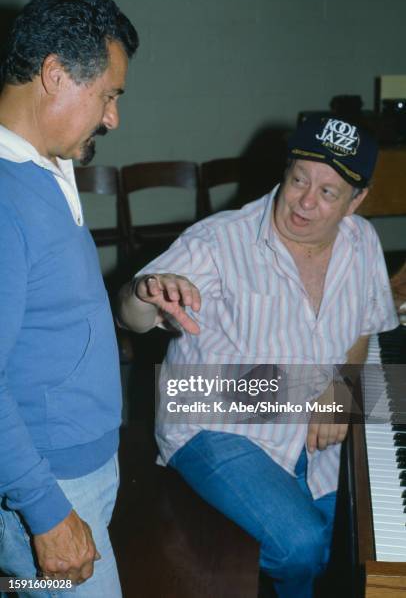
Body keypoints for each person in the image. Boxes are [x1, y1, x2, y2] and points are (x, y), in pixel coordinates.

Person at [119, 114, 398, 597]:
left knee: (364, 533)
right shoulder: (220, 240)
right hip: (212, 413)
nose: (305, 202)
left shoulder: (364, 242)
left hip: (313, 403)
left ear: (357, 202)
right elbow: (130, 315)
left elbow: (367, 329)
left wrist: (344, 387)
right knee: (302, 545)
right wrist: (145, 294)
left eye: (329, 193)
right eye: (298, 180)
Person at [0, 0, 138, 596]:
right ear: (54, 76)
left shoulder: (49, 161)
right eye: (108, 95)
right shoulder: (5, 199)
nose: (113, 117)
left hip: (80, 465)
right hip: (50, 485)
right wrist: (46, 510)